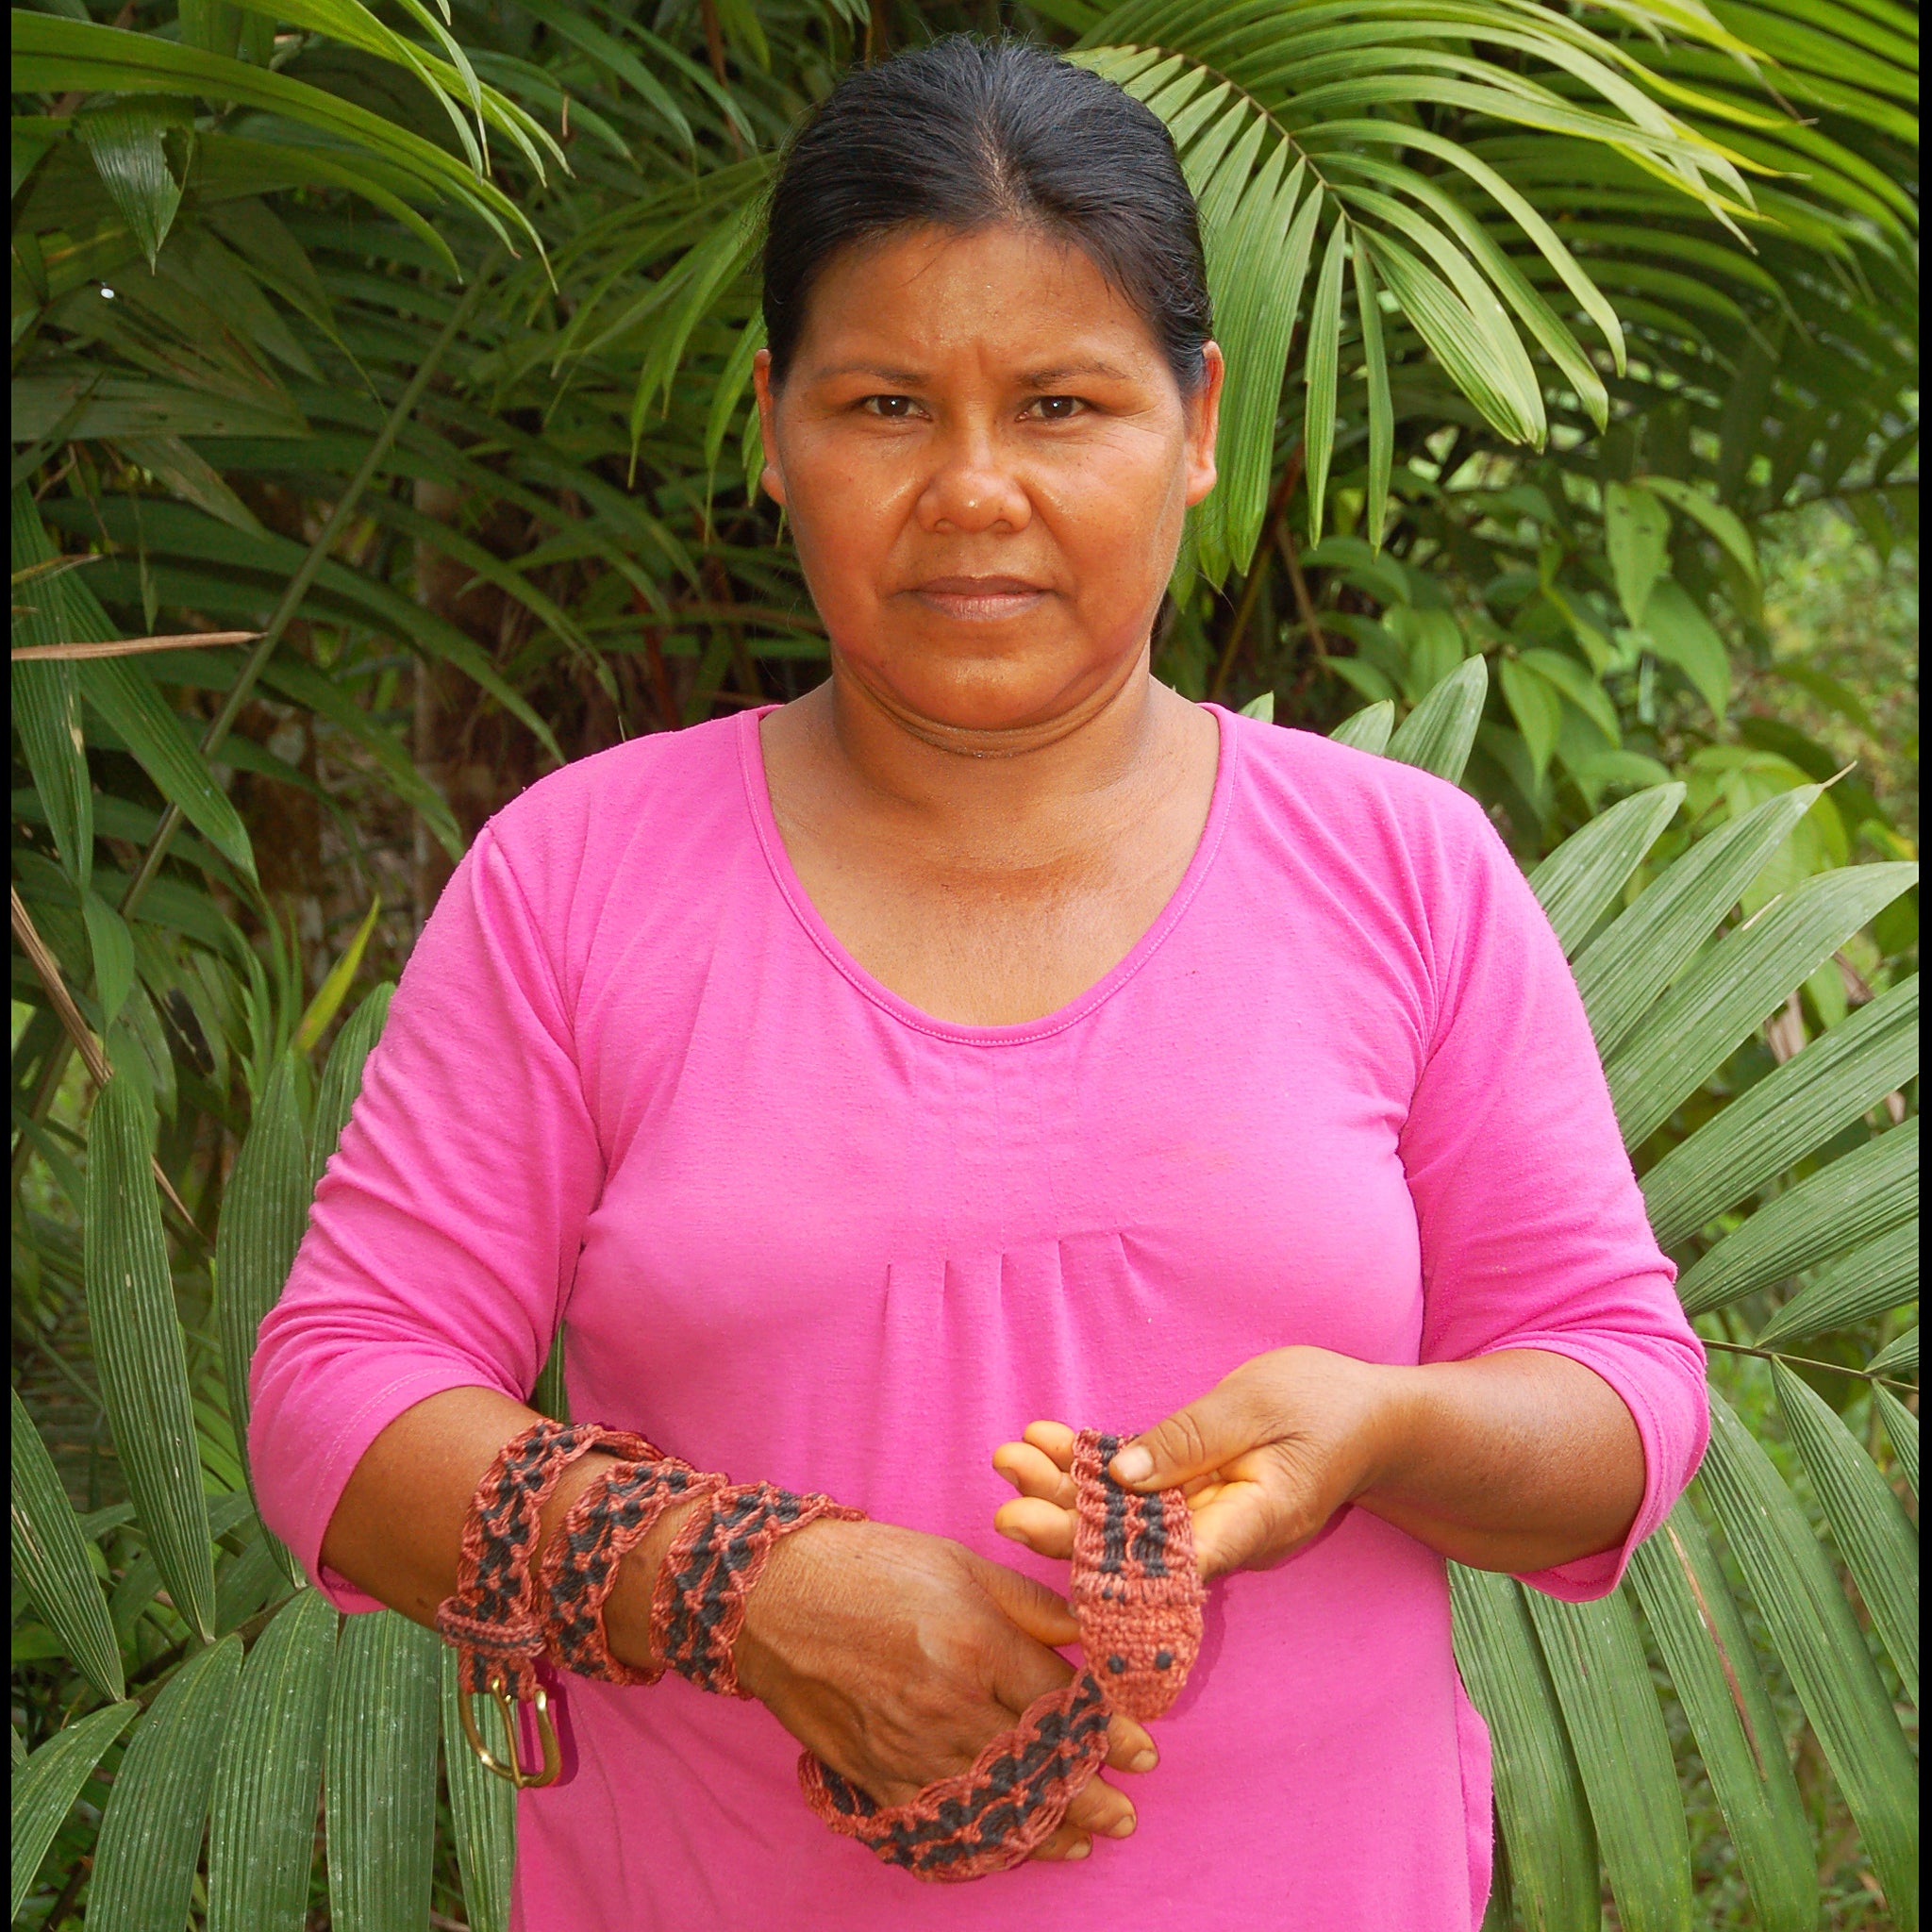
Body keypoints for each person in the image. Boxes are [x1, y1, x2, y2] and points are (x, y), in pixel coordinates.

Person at [250, 35, 1708, 1931]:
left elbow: (1619, 1401)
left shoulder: (1402, 871)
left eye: (1060, 404)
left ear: (1195, 422)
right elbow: (338, 1398)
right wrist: (741, 1586)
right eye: (883, 405)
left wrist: (1378, 1430)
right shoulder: (578, 880)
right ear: (774, 425)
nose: (972, 489)